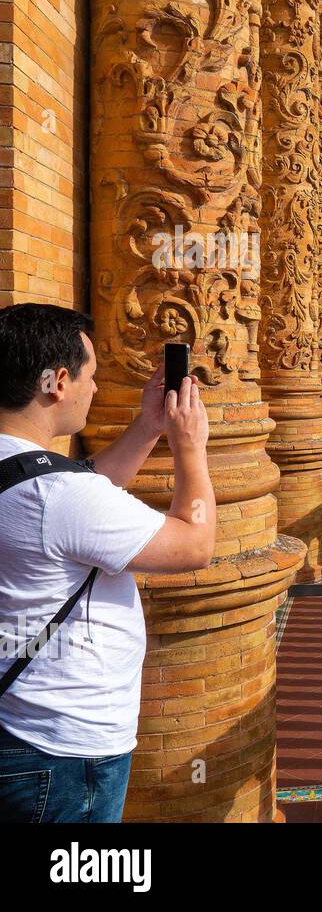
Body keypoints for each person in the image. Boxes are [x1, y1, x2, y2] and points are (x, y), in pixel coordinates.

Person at [0, 303, 216, 823]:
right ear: (57, 382)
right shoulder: (59, 498)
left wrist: (146, 426)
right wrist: (191, 448)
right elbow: (195, 545)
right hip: (65, 750)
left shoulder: (26, 472)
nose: (95, 389)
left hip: (16, 720)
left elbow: (84, 485)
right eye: (90, 375)